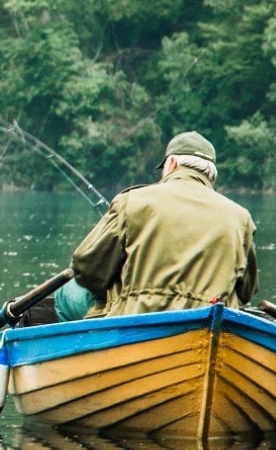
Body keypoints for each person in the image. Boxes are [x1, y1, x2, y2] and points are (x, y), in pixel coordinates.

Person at [53, 131, 257, 321]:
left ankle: (84, 355)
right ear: (211, 173)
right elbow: (246, 292)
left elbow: (86, 267)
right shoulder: (240, 217)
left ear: (172, 162)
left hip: (138, 319)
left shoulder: (132, 201)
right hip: (210, 321)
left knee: (66, 292)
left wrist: (114, 288)